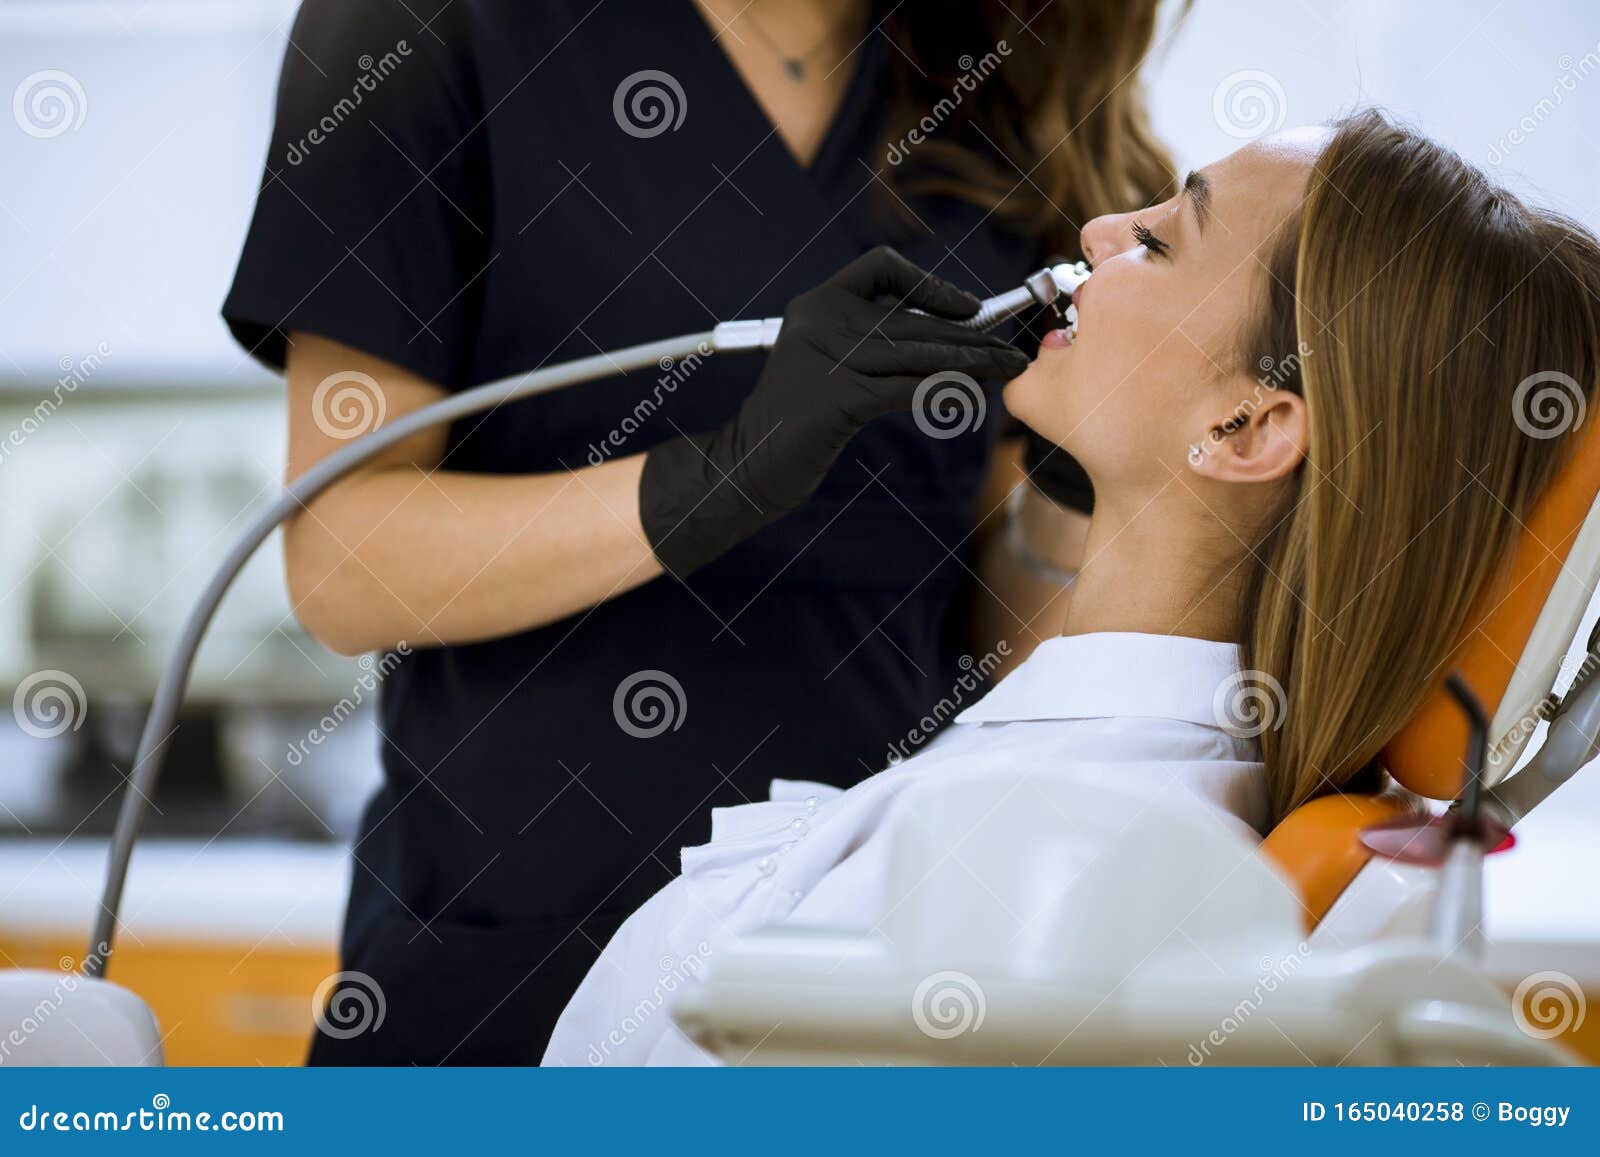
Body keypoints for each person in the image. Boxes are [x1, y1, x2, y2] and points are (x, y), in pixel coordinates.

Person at [220, 0, 1176, 1062]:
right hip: (505, 971)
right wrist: (710, 481)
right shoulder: (415, 29)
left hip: (855, 989)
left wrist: (1072, 486)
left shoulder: (998, 77)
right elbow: (343, 562)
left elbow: (995, 639)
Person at [541, 110, 1600, 1065]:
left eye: (1156, 241)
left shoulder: (1046, 848)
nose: (1097, 230)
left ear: (1249, 425)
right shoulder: (1113, 792)